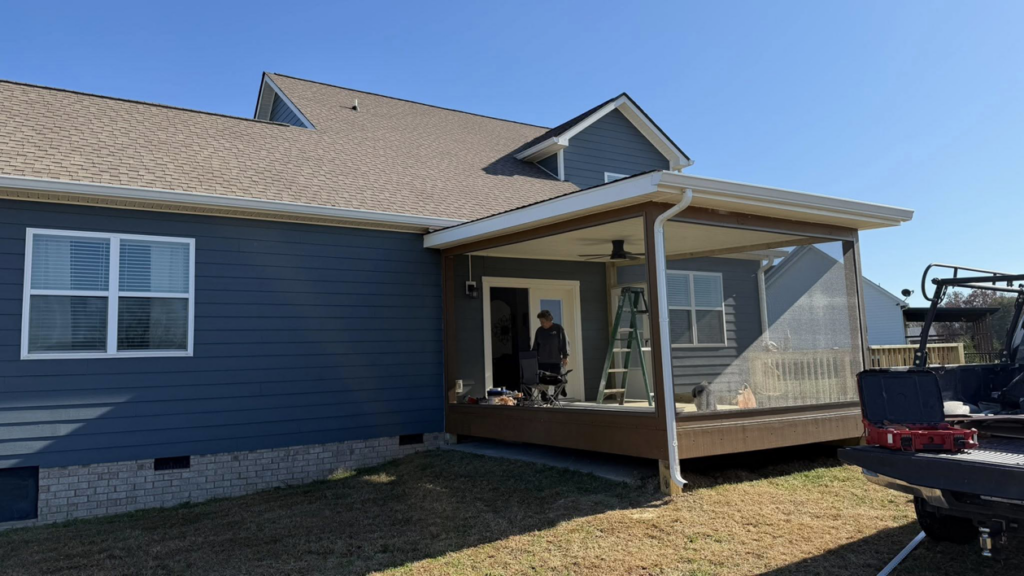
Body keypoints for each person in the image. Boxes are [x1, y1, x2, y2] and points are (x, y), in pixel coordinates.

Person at [532, 310, 569, 377]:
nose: (542, 324)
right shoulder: (539, 331)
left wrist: (565, 357)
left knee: (559, 383)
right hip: (542, 362)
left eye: (543, 322)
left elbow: (564, 343)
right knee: (542, 384)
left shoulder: (558, 329)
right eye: (540, 322)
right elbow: (535, 346)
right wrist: (533, 359)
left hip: (556, 361)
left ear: (549, 320)